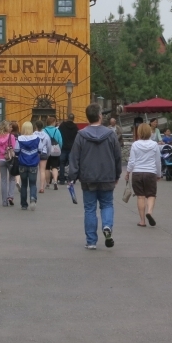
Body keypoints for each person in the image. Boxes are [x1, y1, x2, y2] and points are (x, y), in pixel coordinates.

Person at [67, 103, 121, 248]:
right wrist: (117, 174)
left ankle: (91, 241)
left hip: (88, 177)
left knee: (90, 208)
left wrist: (72, 177)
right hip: (107, 175)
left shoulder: (81, 135)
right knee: (107, 204)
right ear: (100, 116)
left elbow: (75, 158)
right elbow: (117, 156)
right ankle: (107, 226)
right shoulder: (111, 135)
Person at [126, 123, 161, 228]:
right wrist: (159, 174)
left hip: (137, 173)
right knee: (151, 195)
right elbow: (157, 161)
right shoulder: (154, 145)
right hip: (150, 172)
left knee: (140, 197)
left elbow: (132, 161)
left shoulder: (135, 144)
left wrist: (128, 172)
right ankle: (149, 212)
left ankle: (142, 221)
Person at [16, 122, 41, 211]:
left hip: (22, 164)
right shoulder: (37, 139)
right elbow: (40, 150)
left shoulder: (19, 139)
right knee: (33, 184)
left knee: (24, 184)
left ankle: (24, 204)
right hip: (33, 164)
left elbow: (16, 150)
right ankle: (33, 198)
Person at [0, 121, 18, 207]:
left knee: (3, 180)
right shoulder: (11, 136)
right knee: (12, 178)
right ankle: (10, 197)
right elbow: (15, 148)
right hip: (10, 159)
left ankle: (4, 201)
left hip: (1, 159)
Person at [57, 114, 79, 183]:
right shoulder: (75, 127)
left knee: (62, 163)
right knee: (71, 163)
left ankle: (62, 179)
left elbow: (59, 134)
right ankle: (71, 179)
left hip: (63, 146)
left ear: (67, 118)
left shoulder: (62, 125)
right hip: (72, 147)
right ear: (73, 119)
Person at [44, 116, 63, 190]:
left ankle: (48, 184)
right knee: (55, 167)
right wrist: (59, 149)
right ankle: (55, 181)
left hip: (46, 151)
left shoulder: (44, 131)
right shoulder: (57, 130)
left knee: (47, 168)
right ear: (52, 122)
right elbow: (60, 141)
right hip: (55, 151)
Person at [33, 120, 51, 196]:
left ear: (36, 126)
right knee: (42, 170)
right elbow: (49, 146)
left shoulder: (33, 135)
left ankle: (33, 186)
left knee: (34, 170)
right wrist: (48, 154)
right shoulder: (46, 135)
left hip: (35, 153)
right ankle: (42, 187)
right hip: (44, 153)